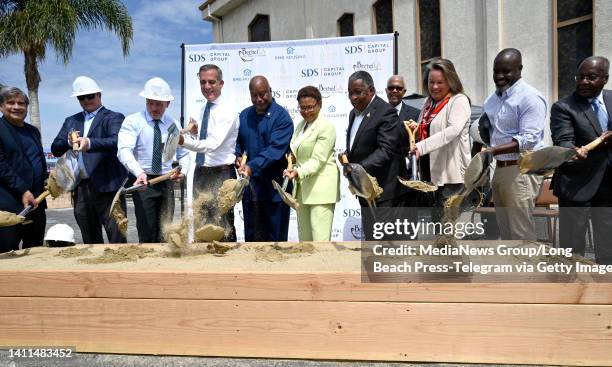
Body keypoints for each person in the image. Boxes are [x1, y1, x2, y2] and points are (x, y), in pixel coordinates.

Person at [51, 76, 127, 244]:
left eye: (90, 96)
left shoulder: (114, 117)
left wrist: (89, 142)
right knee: (89, 238)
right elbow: (55, 148)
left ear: (99, 95)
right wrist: (68, 142)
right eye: (81, 97)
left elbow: (116, 142)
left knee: (117, 236)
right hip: (81, 188)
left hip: (109, 187)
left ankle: (119, 270)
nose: (86, 100)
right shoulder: (71, 120)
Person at [550, 56, 612, 264]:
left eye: (591, 77)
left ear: (605, 78)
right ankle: (569, 292)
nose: (583, 81)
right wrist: (574, 151)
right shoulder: (564, 107)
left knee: (608, 247)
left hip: (608, 187)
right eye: (580, 76)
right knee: (572, 250)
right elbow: (563, 140)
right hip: (576, 184)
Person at [482, 48, 546, 240]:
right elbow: (492, 133)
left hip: (521, 170)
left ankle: (529, 270)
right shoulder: (492, 100)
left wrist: (493, 150)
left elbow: (529, 139)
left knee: (521, 235)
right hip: (500, 170)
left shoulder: (530, 98)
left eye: (506, 71)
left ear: (519, 69)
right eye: (496, 71)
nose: (499, 76)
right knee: (506, 233)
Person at [117, 77, 188, 243]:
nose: (154, 108)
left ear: (167, 104)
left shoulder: (173, 125)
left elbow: (184, 154)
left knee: (165, 231)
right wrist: (138, 172)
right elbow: (124, 150)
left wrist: (182, 171)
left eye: (159, 104)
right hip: (143, 183)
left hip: (167, 181)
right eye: (150, 103)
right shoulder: (133, 121)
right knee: (147, 232)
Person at [344, 70, 410, 240]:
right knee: (373, 240)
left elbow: (386, 150)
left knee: (387, 243)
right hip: (365, 189)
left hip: (384, 192)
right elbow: (360, 145)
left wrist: (359, 167)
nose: (353, 97)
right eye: (350, 93)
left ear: (371, 91)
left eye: (358, 92)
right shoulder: (353, 113)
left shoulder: (385, 112)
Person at [179, 64, 239, 242]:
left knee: (223, 226)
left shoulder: (228, 110)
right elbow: (209, 136)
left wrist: (183, 141)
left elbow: (213, 144)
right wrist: (196, 132)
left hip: (222, 175)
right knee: (202, 225)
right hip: (201, 173)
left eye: (212, 82)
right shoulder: (204, 108)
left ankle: (229, 267)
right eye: (203, 82)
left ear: (221, 83)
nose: (207, 86)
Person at [411, 58, 472, 220]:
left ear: (451, 81)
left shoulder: (459, 100)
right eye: (431, 82)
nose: (435, 87)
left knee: (448, 231)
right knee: (438, 230)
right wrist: (414, 130)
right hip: (431, 177)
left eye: (440, 82)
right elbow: (425, 129)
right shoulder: (428, 103)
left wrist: (421, 147)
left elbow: (452, 131)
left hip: (451, 179)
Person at [235, 76, 293, 242]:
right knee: (252, 240)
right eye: (255, 95)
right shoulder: (244, 115)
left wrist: (252, 166)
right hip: (252, 191)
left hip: (274, 191)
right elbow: (237, 141)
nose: (259, 99)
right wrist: (238, 156)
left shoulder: (282, 117)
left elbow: (275, 150)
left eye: (263, 94)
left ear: (270, 91)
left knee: (276, 242)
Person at [284, 86, 340, 241]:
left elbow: (318, 160)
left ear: (319, 104)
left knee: (320, 242)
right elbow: (298, 152)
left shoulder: (326, 127)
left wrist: (297, 172)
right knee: (305, 242)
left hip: (321, 190)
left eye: (310, 107)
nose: (306, 111)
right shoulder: (301, 125)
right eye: (302, 108)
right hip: (302, 190)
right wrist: (292, 162)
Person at [0, 87, 47, 253]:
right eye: (10, 102)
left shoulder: (33, 131)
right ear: (1, 106)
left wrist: (48, 181)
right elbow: (1, 166)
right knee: (6, 253)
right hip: (9, 205)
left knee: (35, 251)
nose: (16, 107)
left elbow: (39, 160)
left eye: (21, 103)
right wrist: (22, 190)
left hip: (36, 204)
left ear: (26, 107)